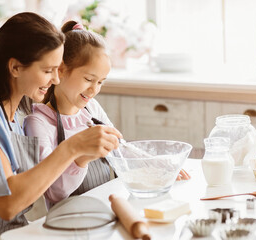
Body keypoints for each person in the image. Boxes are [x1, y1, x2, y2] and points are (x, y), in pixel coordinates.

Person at [0, 13, 121, 240]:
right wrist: (72, 148)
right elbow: (7, 204)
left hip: (13, 231)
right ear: (15, 67)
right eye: (48, 70)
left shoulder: (15, 111)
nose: (56, 80)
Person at [23, 21, 191, 208]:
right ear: (61, 70)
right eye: (89, 79)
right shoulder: (38, 122)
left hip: (105, 209)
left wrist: (157, 166)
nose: (94, 89)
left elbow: (120, 148)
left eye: (101, 82)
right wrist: (81, 156)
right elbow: (55, 192)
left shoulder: (91, 109)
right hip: (68, 223)